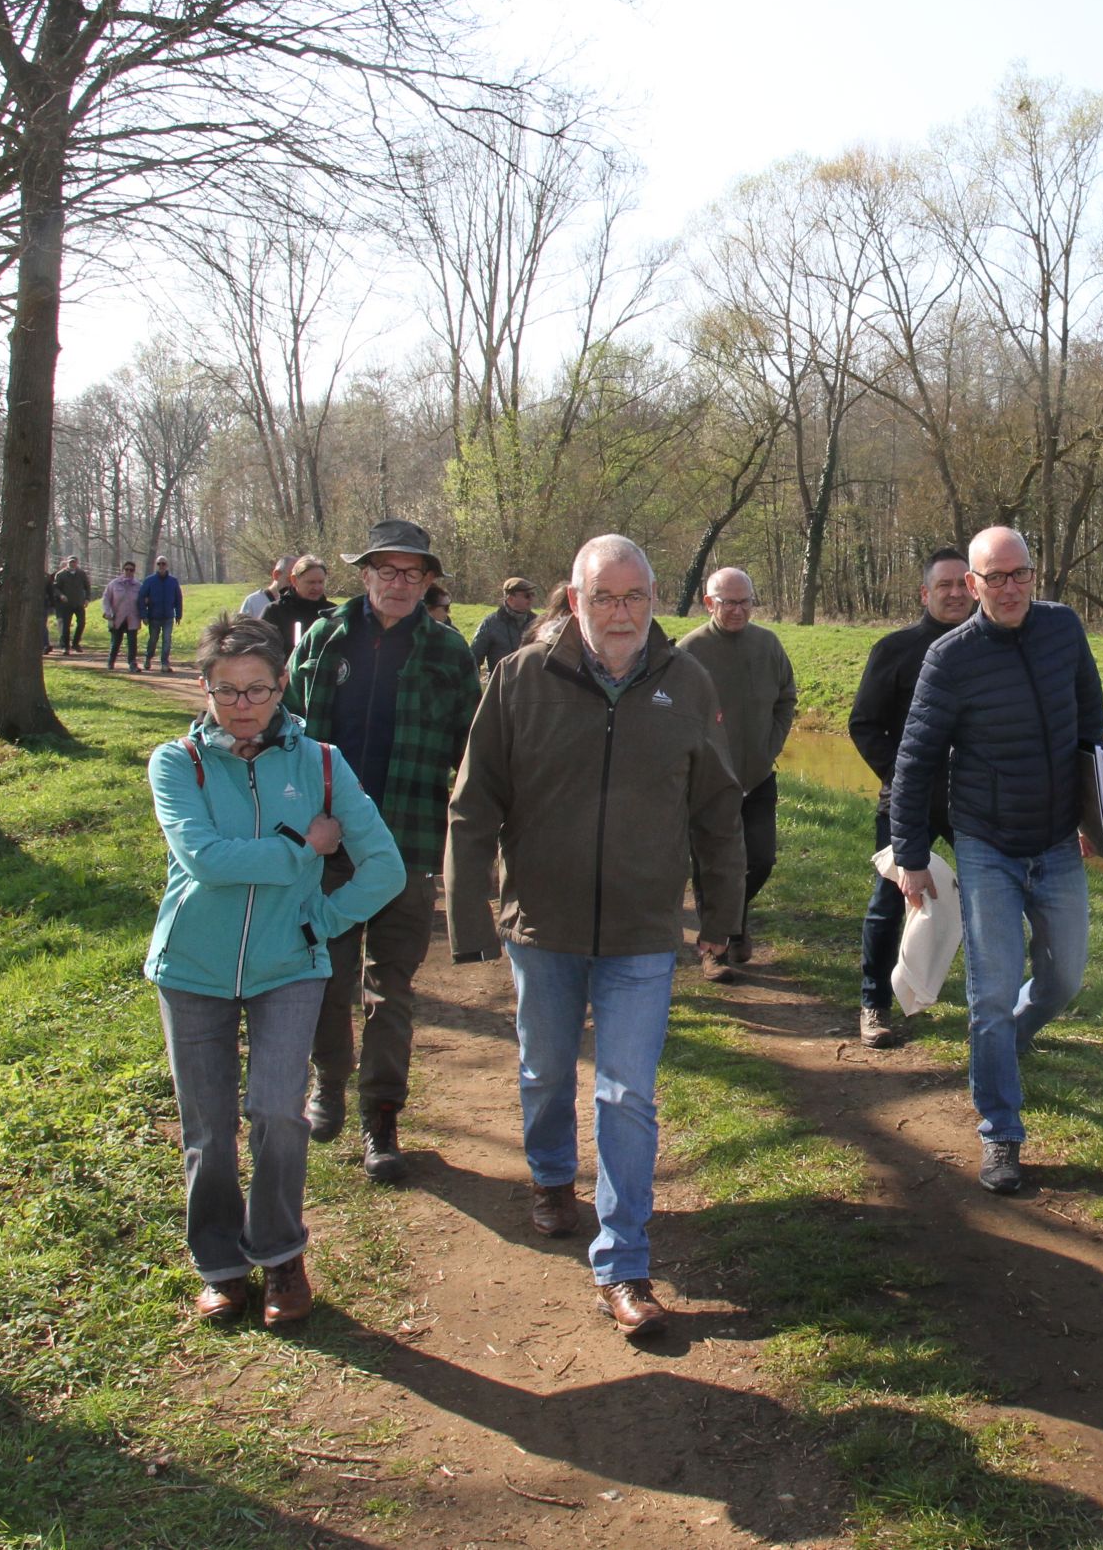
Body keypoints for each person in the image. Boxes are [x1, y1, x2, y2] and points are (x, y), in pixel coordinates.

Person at [448, 535, 743, 1341]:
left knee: (627, 1091)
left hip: (644, 932)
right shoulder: (518, 682)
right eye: (603, 597)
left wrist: (722, 916)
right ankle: (550, 1176)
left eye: (635, 596)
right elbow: (473, 806)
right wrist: (470, 916)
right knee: (545, 1068)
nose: (620, 613)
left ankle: (624, 1261)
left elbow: (717, 807)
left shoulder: (687, 683)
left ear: (655, 600)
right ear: (572, 601)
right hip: (542, 927)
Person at [146, 616, 405, 1327]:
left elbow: (385, 865)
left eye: (257, 688)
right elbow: (204, 857)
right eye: (225, 690)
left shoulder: (320, 763)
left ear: (283, 685)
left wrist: (319, 918)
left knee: (276, 1112)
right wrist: (302, 849)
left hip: (289, 964)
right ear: (203, 688)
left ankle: (280, 1254)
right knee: (207, 1125)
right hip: (192, 965)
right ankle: (221, 1267)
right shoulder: (178, 763)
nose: (242, 704)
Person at [888, 527, 1103, 1196]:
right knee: (989, 989)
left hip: (1056, 841)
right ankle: (1001, 1134)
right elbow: (917, 758)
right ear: (971, 585)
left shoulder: (1063, 630)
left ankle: (1007, 1040)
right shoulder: (950, 659)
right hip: (986, 843)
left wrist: (1096, 814)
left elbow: (1091, 722)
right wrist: (911, 855)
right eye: (995, 577)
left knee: (1063, 977)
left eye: (1021, 574)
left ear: (1034, 576)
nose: (1009, 588)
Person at [283, 519, 480, 1184]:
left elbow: (469, 756)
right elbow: (286, 742)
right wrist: (303, 825)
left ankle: (381, 1118)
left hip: (407, 846)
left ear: (428, 583)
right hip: (326, 850)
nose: (397, 584)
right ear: (363, 575)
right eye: (385, 571)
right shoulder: (321, 641)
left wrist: (471, 842)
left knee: (389, 988)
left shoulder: (450, 653)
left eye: (411, 574)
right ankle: (328, 1087)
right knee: (325, 980)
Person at [847, 547, 974, 1046]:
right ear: (925, 594)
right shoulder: (895, 650)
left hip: (973, 802)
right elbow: (864, 725)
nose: (954, 594)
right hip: (907, 800)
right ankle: (873, 1004)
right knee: (890, 901)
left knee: (988, 903)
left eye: (961, 584)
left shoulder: (990, 649)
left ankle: (987, 1009)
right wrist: (903, 778)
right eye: (943, 586)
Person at [676, 567, 796, 976]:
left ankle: (734, 920)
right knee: (712, 864)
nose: (739, 610)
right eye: (729, 602)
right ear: (710, 603)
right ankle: (715, 951)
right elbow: (675, 715)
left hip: (758, 776)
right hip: (710, 782)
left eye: (746, 601)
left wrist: (769, 747)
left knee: (760, 859)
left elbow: (786, 699)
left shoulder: (768, 645)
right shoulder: (690, 652)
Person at [262, 554, 334, 652]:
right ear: (294, 580)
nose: (317, 587)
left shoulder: (332, 612)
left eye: (320, 582)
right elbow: (262, 650)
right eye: (311, 582)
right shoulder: (274, 612)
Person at [470, 577, 537, 677]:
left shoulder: (538, 623)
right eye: (527, 596)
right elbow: (473, 659)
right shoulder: (490, 623)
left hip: (530, 687)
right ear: (510, 598)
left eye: (533, 594)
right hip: (501, 687)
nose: (531, 599)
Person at [140, 556, 186, 674]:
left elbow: (178, 598)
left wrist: (179, 614)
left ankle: (164, 662)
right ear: (156, 565)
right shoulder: (149, 580)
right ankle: (148, 657)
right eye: (159, 564)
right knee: (153, 639)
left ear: (167, 565)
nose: (161, 566)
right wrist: (143, 615)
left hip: (168, 616)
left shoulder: (173, 581)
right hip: (154, 616)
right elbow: (141, 598)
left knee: (167, 640)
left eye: (163, 564)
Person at [102, 561, 145, 671]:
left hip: (133, 618)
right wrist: (108, 613)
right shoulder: (114, 584)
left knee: (132, 642)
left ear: (134, 571)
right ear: (123, 570)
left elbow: (144, 601)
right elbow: (106, 599)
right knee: (116, 641)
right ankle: (111, 662)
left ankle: (132, 664)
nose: (129, 572)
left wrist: (145, 615)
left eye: (131, 570)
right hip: (117, 618)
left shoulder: (138, 586)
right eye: (126, 569)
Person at [51, 555, 92, 653]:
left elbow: (87, 587)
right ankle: (66, 647)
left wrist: (87, 599)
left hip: (79, 603)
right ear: (67, 563)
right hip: (66, 604)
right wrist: (61, 595)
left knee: (81, 623)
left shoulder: (81, 574)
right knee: (66, 626)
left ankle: (75, 643)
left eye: (74, 562)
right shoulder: (61, 574)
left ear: (77, 563)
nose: (72, 564)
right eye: (70, 562)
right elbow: (55, 588)